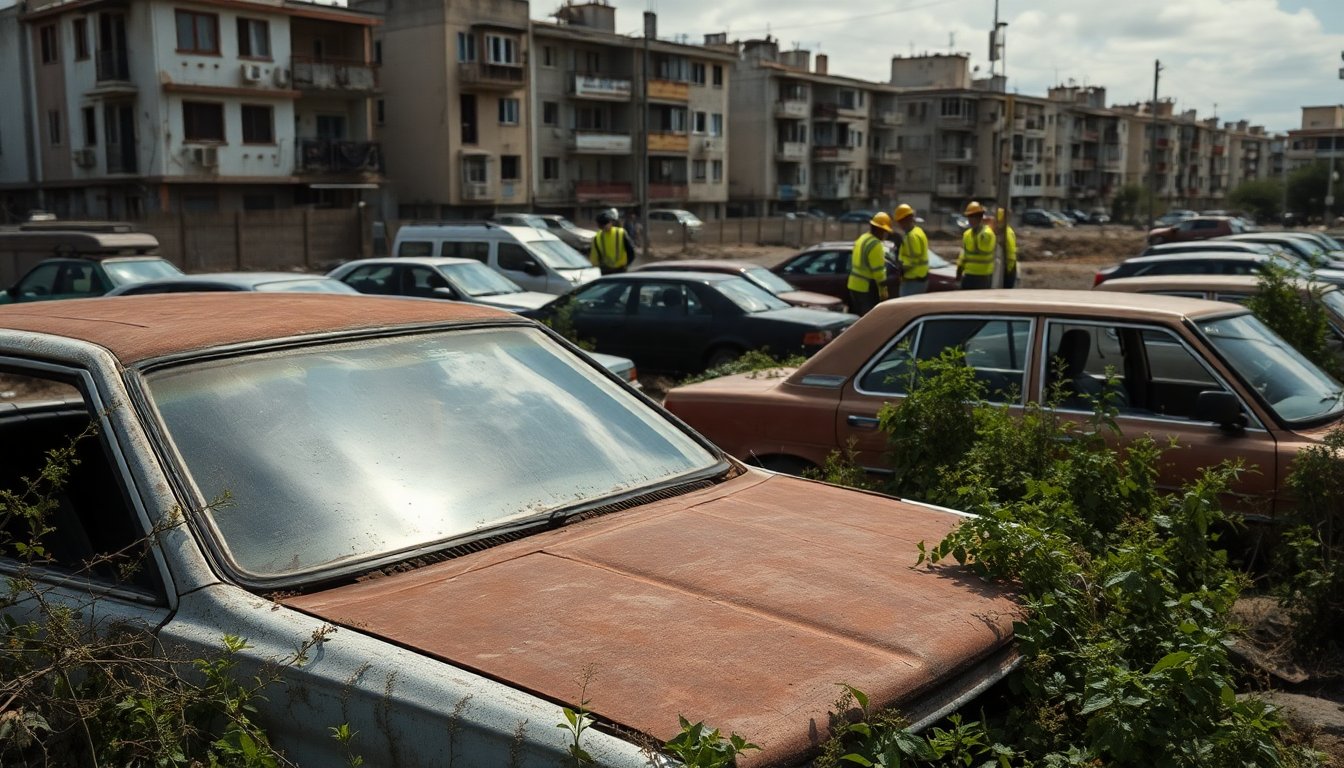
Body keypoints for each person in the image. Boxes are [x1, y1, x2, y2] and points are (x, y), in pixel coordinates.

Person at [847, 212, 892, 315]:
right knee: (869, 319)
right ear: (879, 229)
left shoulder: (862, 238)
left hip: (853, 285)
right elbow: (878, 272)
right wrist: (884, 292)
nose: (885, 234)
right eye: (885, 231)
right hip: (866, 288)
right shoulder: (875, 244)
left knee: (858, 318)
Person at [956, 201, 996, 290]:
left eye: (973, 216)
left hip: (983, 277)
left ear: (980, 217)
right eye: (969, 216)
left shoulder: (987, 234)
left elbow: (984, 246)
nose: (970, 219)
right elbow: (963, 255)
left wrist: (987, 223)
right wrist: (959, 272)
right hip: (968, 275)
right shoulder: (967, 234)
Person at [892, 203, 929, 296]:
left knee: (905, 309)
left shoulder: (910, 237)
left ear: (906, 219)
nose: (899, 224)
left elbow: (912, 261)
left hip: (912, 281)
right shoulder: (918, 231)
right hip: (921, 278)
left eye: (900, 221)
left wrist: (899, 266)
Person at [589, 209, 636, 275]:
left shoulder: (621, 233)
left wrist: (626, 265)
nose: (605, 226)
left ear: (611, 222)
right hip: (606, 271)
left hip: (620, 269)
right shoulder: (597, 237)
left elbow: (631, 252)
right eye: (602, 225)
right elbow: (594, 257)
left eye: (606, 223)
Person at [998, 206, 1018, 288]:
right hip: (1006, 267)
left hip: (1009, 267)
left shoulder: (1007, 231)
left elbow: (1011, 250)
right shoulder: (1003, 231)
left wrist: (1009, 268)